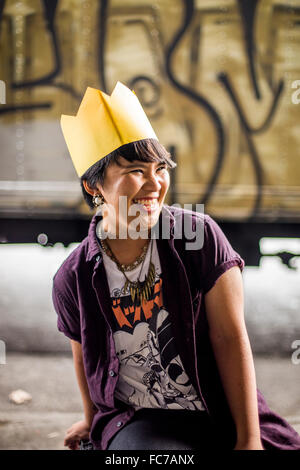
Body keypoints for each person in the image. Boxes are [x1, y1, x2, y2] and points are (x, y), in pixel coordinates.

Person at [52, 82, 300, 451]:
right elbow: (84, 351)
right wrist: (92, 420)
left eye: (160, 168)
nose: (155, 183)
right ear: (94, 186)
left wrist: (249, 441)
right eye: (136, 170)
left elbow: (230, 339)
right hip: (141, 419)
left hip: (217, 408)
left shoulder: (199, 237)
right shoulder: (73, 276)